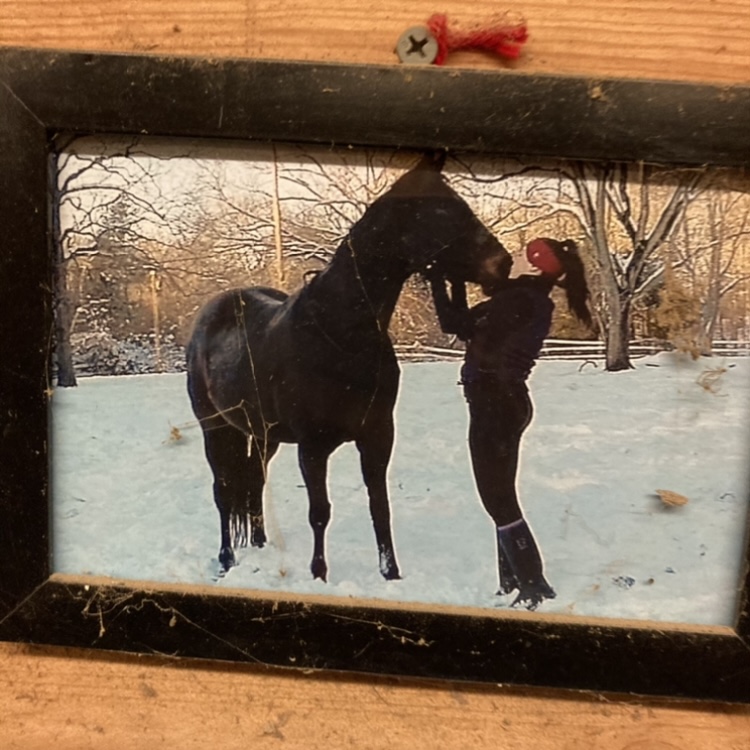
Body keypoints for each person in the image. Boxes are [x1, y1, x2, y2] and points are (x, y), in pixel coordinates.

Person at [429, 238, 593, 610]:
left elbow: (459, 324)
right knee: (499, 494)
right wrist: (448, 280)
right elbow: (458, 324)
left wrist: (444, 280)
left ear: (534, 267)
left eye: (523, 253)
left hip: (496, 405)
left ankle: (534, 586)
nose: (514, 255)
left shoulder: (520, 301)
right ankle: (513, 582)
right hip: (502, 403)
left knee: (498, 499)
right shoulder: (522, 298)